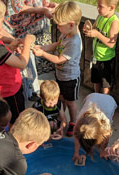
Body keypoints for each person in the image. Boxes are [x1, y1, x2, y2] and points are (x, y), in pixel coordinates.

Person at [33, 1, 82, 136]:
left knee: (70, 102)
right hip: (61, 75)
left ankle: (73, 122)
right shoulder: (66, 33)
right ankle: (61, 117)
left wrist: (43, 54)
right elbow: (57, 44)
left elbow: (59, 59)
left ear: (71, 24)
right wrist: (43, 48)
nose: (57, 27)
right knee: (60, 99)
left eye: (59, 25)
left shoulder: (74, 42)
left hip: (70, 78)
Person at [3, 0, 57, 101]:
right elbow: (17, 6)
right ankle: (26, 91)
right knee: (20, 58)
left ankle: (32, 90)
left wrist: (48, 5)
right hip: (12, 26)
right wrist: (42, 10)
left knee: (26, 56)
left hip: (24, 26)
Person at [83, 0, 119, 94]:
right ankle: (96, 95)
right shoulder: (100, 16)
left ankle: (104, 100)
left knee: (105, 83)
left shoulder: (114, 22)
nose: (97, 8)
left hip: (106, 59)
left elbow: (112, 43)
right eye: (97, 6)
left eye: (101, 6)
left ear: (111, 7)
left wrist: (98, 35)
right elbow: (93, 29)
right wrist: (88, 30)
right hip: (96, 57)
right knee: (96, 79)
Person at [73, 93, 117, 162]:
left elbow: (106, 138)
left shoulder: (106, 124)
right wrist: (76, 152)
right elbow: (76, 135)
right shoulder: (79, 120)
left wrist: (103, 151)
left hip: (109, 101)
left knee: (104, 138)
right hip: (92, 97)